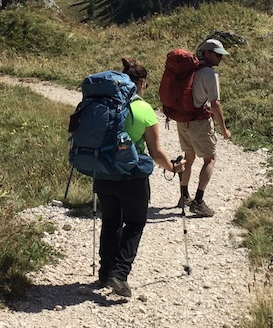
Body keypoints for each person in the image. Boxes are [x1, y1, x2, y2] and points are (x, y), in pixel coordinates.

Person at [95, 57, 185, 298]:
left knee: (111, 221)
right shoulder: (143, 109)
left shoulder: (103, 105)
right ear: (142, 83)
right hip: (131, 178)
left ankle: (105, 272)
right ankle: (120, 275)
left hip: (102, 174)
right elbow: (156, 154)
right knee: (135, 223)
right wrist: (174, 168)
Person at [176, 38, 231, 218]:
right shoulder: (209, 73)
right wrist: (223, 129)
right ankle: (198, 202)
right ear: (206, 53)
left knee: (188, 157)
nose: (219, 58)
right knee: (210, 159)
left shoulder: (189, 68)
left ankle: (184, 196)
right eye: (216, 55)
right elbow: (215, 104)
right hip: (199, 121)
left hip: (182, 119)